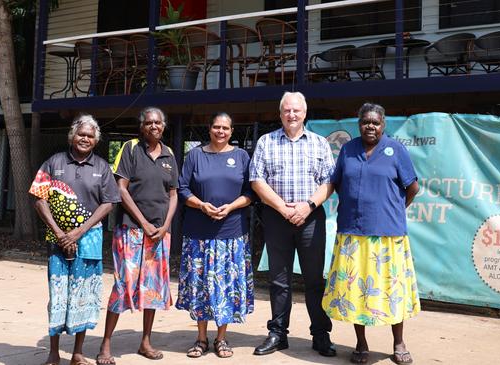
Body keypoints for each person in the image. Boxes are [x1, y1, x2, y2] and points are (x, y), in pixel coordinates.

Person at [321, 103, 421, 364]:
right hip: (353, 234)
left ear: (383, 124)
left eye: (375, 122)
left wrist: (393, 210)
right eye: (366, 122)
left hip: (388, 235)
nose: (370, 126)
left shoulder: (396, 150)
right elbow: (339, 184)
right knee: (356, 291)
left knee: (392, 290)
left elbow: (412, 188)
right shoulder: (348, 149)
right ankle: (361, 344)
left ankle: (398, 343)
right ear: (359, 124)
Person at [249, 91, 337, 357]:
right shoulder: (266, 142)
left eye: (296, 110)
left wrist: (307, 206)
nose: (292, 115)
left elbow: (330, 182)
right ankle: (278, 334)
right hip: (277, 218)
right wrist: (282, 208)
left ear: (305, 113)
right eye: (287, 110)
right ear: (280, 114)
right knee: (278, 280)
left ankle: (321, 334)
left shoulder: (320, 143)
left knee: (313, 280)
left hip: (310, 218)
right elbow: (256, 179)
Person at [30, 115, 121, 365]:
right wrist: (61, 234)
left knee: (84, 295)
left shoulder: (102, 167)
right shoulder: (54, 162)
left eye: (90, 136)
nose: (85, 139)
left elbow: (109, 203)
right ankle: (53, 352)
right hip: (57, 241)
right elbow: (39, 198)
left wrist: (78, 232)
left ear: (95, 140)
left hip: (89, 240)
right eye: (81, 134)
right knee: (58, 295)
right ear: (72, 135)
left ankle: (78, 353)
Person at [97, 107, 178, 364]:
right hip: (131, 229)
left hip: (159, 233)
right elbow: (121, 188)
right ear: (141, 126)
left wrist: (165, 225)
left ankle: (146, 341)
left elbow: (173, 193)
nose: (154, 126)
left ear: (163, 126)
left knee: (153, 288)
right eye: (149, 122)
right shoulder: (130, 148)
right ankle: (105, 346)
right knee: (123, 285)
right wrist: (142, 222)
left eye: (158, 122)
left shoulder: (169, 154)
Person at [176, 112, 254, 358]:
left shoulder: (241, 156)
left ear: (232, 131)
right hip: (199, 234)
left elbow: (251, 192)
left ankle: (221, 339)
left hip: (231, 235)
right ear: (209, 129)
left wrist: (231, 207)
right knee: (201, 288)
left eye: (226, 128)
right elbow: (182, 188)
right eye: (216, 127)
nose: (221, 131)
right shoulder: (195, 155)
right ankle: (201, 339)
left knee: (225, 288)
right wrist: (200, 204)